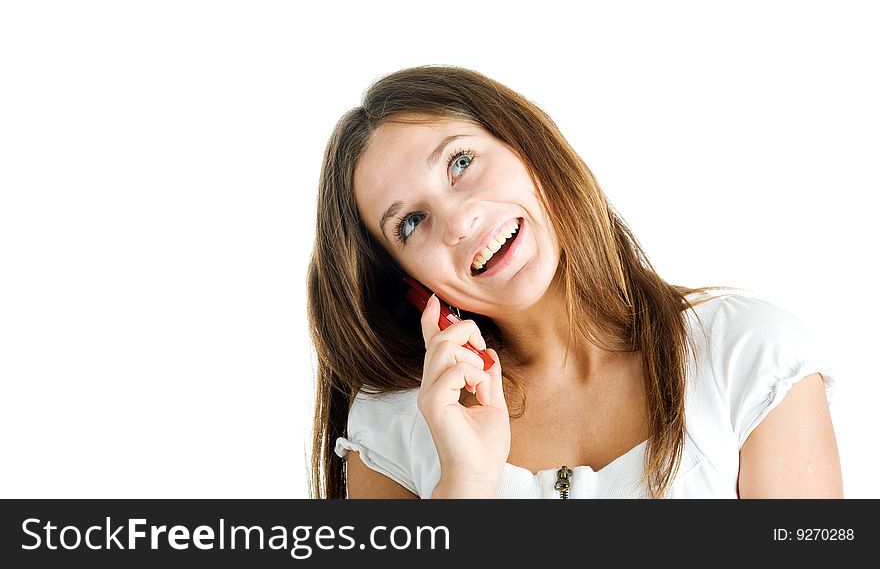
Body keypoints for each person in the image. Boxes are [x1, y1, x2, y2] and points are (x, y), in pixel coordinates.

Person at [307, 65, 842, 499]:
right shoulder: (394, 433)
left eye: (461, 162)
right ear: (410, 284)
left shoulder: (748, 356)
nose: (460, 222)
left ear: (528, 146)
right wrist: (463, 488)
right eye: (411, 222)